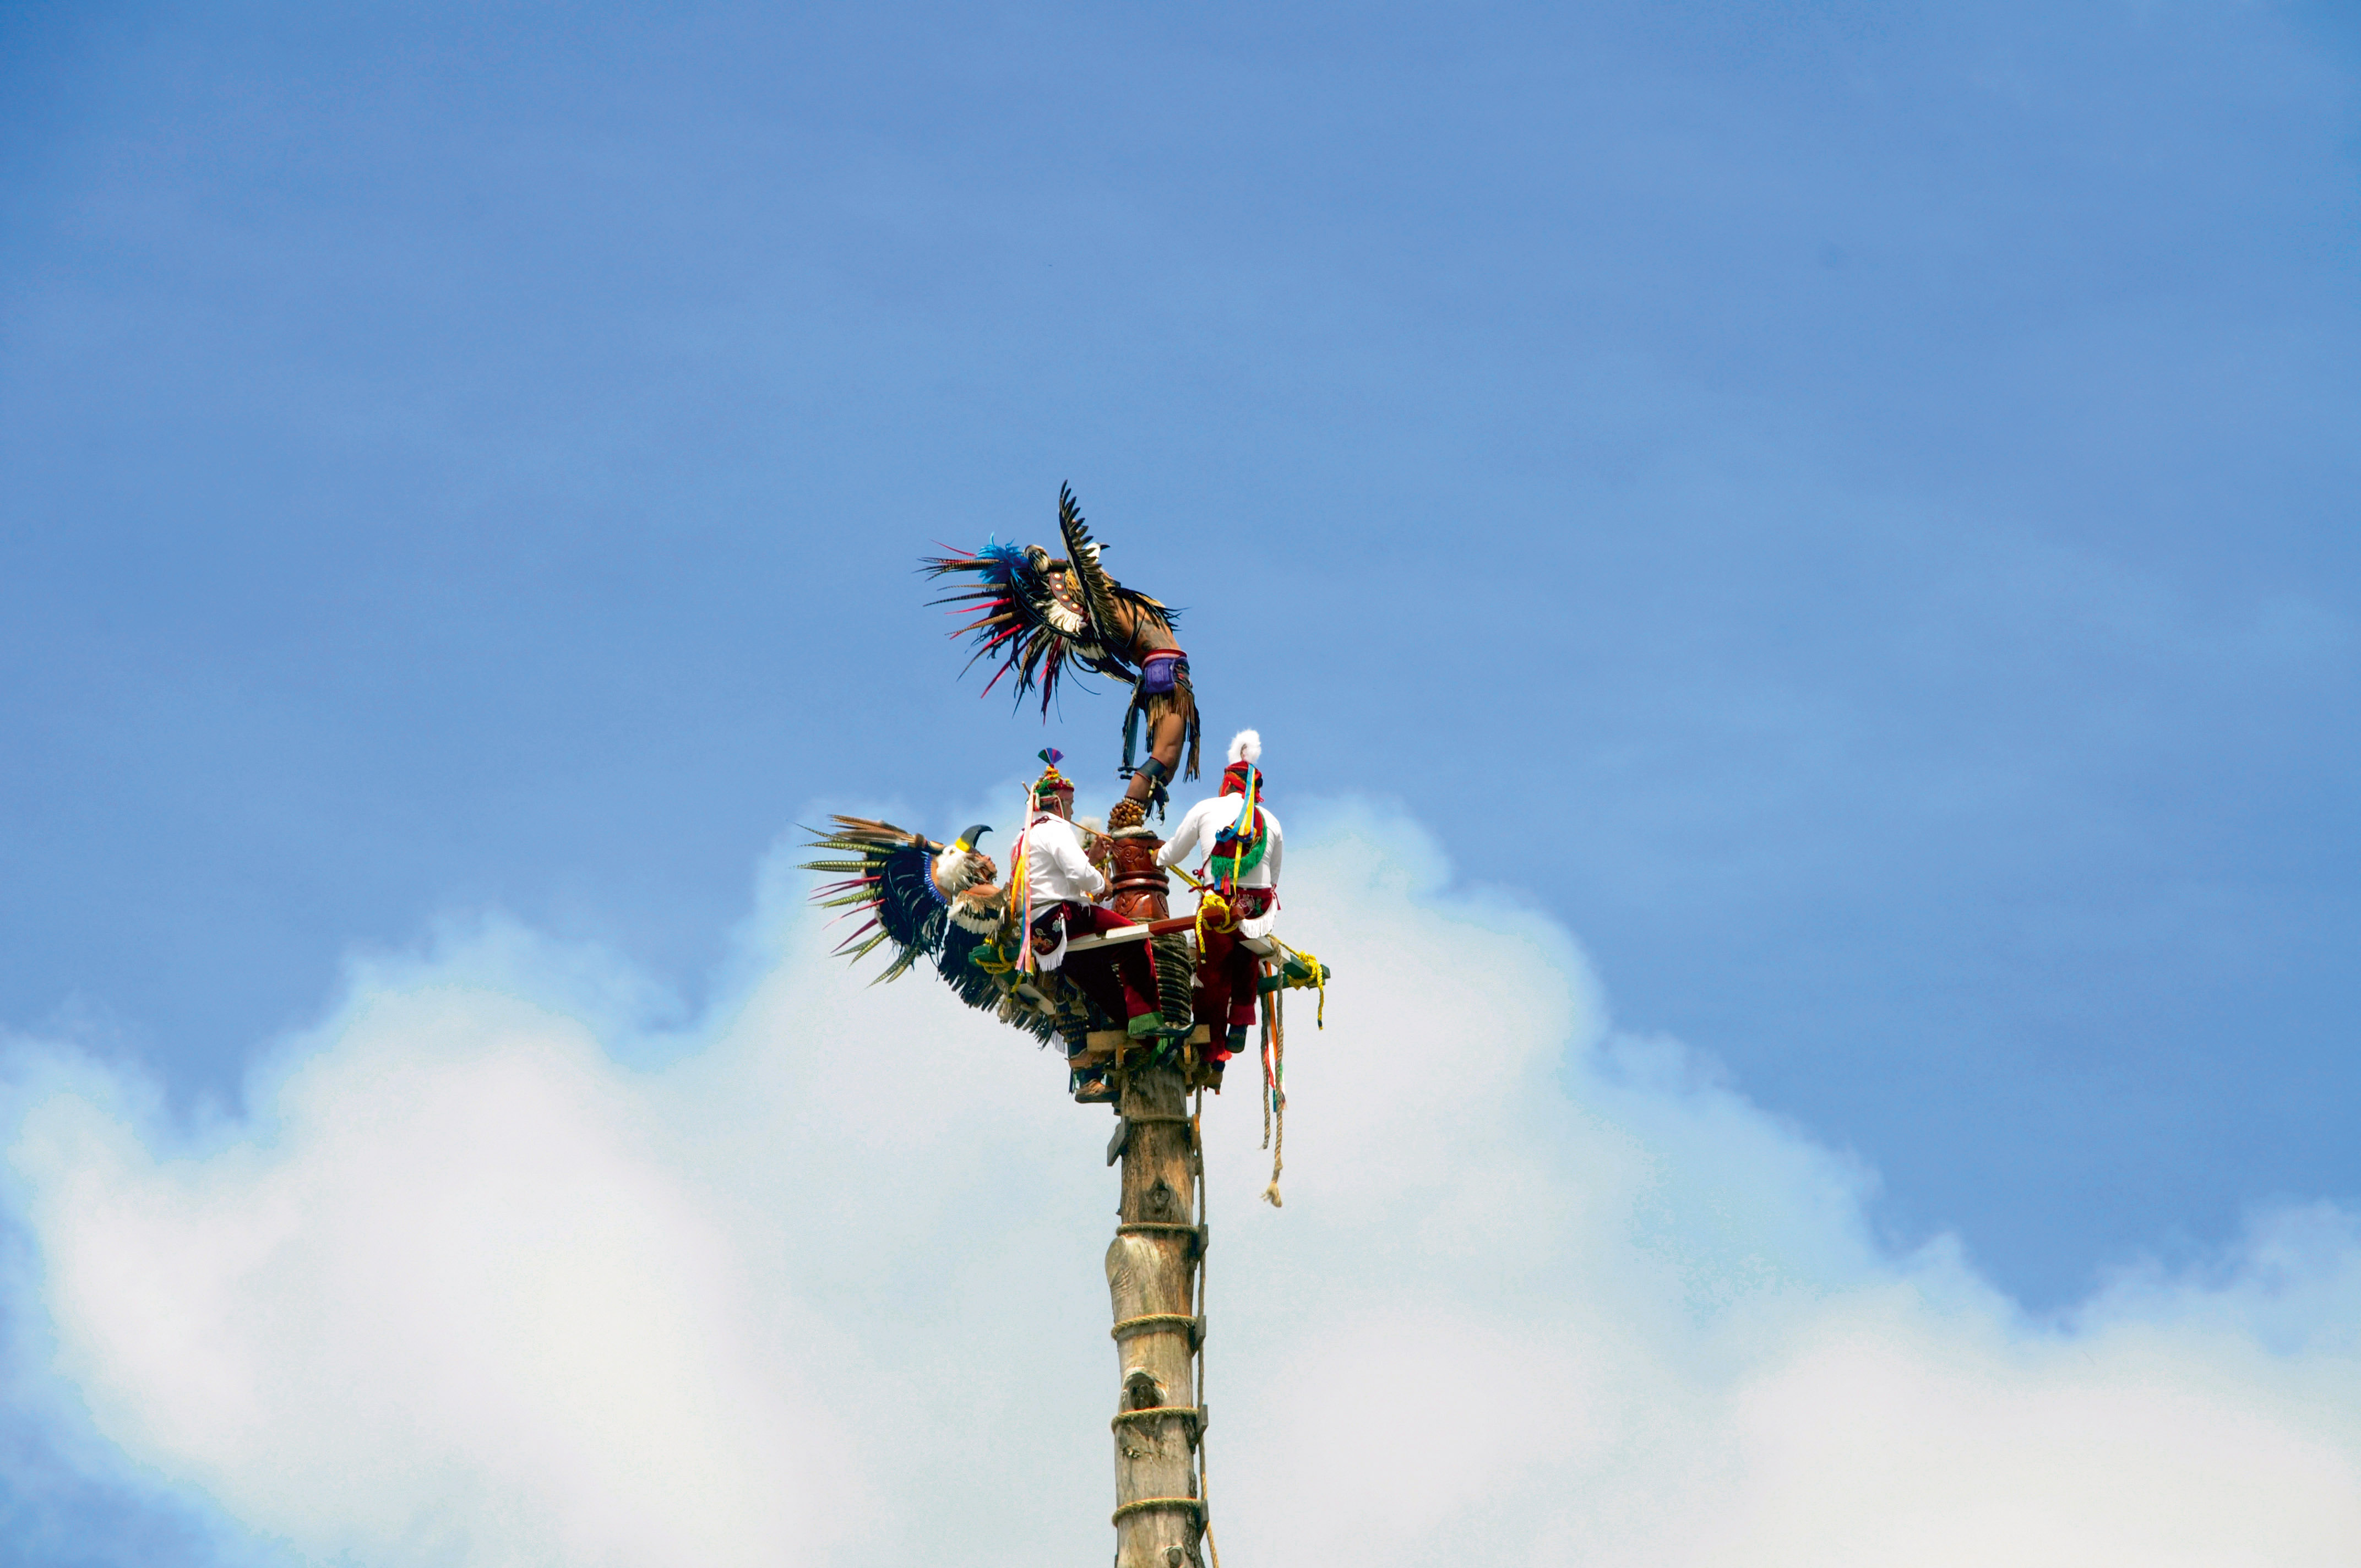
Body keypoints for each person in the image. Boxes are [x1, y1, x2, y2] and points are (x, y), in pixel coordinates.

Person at [924, 486, 1201, 824]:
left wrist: (1048, 565)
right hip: (1166, 675)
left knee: (1167, 761)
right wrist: (1055, 566)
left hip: (1161, 675)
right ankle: (1125, 821)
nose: (1106, 574)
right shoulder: (1105, 612)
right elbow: (1085, 582)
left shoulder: (1110, 611)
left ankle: (1131, 820)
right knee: (1166, 756)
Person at [1014, 750, 1169, 1050]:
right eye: (1069, 805)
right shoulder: (1056, 829)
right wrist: (1102, 884)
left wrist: (1092, 857)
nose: (1072, 813)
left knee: (1100, 979)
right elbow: (1079, 875)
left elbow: (1056, 877)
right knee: (1134, 939)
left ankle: (1150, 1043)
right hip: (1065, 918)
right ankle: (1150, 1020)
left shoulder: (1024, 836)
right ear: (1057, 804)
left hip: (1040, 933)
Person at [1157, 730, 1283, 1065]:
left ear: (1226, 784)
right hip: (1259, 909)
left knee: (1212, 974)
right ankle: (1241, 1020)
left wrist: (1156, 858)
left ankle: (1214, 1044)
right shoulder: (1272, 822)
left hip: (1221, 906)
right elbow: (1276, 876)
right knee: (1247, 957)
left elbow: (1172, 854)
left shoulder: (1205, 808)